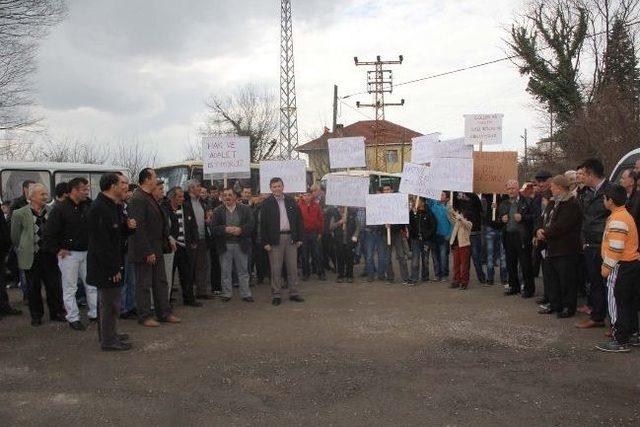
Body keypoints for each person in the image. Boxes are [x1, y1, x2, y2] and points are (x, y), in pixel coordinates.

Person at [128, 168, 180, 327]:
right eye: (155, 177)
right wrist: (147, 251)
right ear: (147, 179)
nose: (157, 179)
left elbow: (159, 222)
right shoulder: (138, 198)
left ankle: (164, 312)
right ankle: (144, 316)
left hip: (157, 247)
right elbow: (139, 228)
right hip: (145, 250)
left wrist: (167, 239)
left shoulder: (149, 197)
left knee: (160, 281)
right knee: (144, 284)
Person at [43, 177, 96, 331]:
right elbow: (48, 233)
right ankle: (73, 317)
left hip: (87, 252)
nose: (87, 192)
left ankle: (95, 313)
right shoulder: (60, 209)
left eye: (87, 189)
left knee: (91, 284)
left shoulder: (88, 205)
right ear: (73, 190)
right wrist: (58, 249)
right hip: (69, 255)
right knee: (70, 287)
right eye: (84, 189)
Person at [87, 173, 132, 351]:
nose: (124, 187)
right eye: (121, 184)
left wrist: (128, 228)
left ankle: (109, 333)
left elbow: (117, 236)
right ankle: (108, 340)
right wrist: (114, 269)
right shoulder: (99, 208)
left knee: (110, 302)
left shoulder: (112, 206)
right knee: (109, 304)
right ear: (112, 186)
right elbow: (101, 244)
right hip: (105, 266)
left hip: (112, 262)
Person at [595, 184, 640, 352]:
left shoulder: (618, 219)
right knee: (628, 302)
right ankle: (632, 333)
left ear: (610, 201)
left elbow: (616, 248)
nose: (603, 201)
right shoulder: (624, 215)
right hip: (630, 264)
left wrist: (606, 267)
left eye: (604, 198)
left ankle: (620, 339)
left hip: (620, 266)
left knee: (616, 302)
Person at [11, 184, 62, 325]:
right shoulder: (19, 213)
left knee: (54, 286)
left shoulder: (51, 211)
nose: (46, 197)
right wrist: (22, 248)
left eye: (46, 194)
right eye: (42, 194)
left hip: (50, 255)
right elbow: (15, 236)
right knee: (33, 287)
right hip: (31, 255)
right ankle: (36, 315)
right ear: (32, 197)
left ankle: (56, 312)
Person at [536, 175, 583, 318]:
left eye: (553, 186)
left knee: (566, 279)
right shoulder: (553, 202)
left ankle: (568, 307)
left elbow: (563, 225)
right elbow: (544, 218)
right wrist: (539, 229)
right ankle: (555, 304)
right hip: (551, 247)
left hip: (566, 248)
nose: (551, 188)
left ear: (560, 187)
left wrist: (545, 232)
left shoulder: (571, 204)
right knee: (552, 278)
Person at [576, 158, 611, 329]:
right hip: (590, 245)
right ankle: (597, 317)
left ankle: (614, 323)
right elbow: (586, 219)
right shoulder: (588, 193)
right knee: (595, 282)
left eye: (583, 174)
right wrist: (584, 240)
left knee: (609, 285)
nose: (581, 177)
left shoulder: (610, 191)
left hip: (605, 246)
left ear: (591, 174)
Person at [260, 177, 304, 306]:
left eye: (279, 186)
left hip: (291, 238)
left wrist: (299, 238)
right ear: (270, 188)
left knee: (292, 268)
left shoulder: (291, 201)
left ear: (283, 187)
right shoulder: (267, 203)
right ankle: (276, 294)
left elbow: (299, 220)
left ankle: (294, 292)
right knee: (276, 268)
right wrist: (265, 242)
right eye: (274, 187)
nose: (277, 189)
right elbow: (262, 225)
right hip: (274, 240)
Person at [212, 188, 255, 302]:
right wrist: (225, 229)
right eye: (225, 195)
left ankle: (246, 293)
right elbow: (213, 228)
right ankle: (226, 293)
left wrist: (241, 230)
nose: (227, 197)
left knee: (243, 271)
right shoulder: (217, 211)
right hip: (225, 245)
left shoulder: (245, 209)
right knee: (225, 271)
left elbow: (251, 225)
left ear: (235, 197)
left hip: (241, 244)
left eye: (230, 195)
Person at [163, 186, 200, 307]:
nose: (182, 199)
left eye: (182, 196)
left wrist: (194, 240)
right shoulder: (165, 209)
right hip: (172, 247)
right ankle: (166, 301)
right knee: (169, 275)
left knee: (187, 274)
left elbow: (194, 225)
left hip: (185, 246)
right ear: (172, 198)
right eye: (179, 196)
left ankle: (189, 298)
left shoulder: (187, 207)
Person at [498, 179, 535, 298]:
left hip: (522, 236)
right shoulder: (504, 203)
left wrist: (523, 217)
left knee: (525, 264)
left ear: (518, 188)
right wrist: (501, 219)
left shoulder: (527, 201)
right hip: (508, 235)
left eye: (513, 188)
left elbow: (534, 217)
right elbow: (498, 219)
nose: (510, 191)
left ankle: (529, 289)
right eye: (508, 189)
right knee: (510, 263)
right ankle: (514, 287)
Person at [184, 179, 212, 299]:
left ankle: (202, 291)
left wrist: (207, 221)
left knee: (202, 265)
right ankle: (188, 293)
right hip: (190, 239)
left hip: (202, 238)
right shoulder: (185, 202)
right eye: (198, 186)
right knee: (190, 267)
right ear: (191, 188)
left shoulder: (201, 201)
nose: (200, 188)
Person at [382, 184, 410, 284]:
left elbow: (402, 219)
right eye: (384, 190)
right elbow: (376, 219)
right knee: (387, 256)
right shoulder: (379, 203)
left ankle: (405, 278)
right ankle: (390, 278)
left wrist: (395, 225)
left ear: (392, 190)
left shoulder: (398, 202)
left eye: (388, 189)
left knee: (401, 256)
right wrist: (383, 225)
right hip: (385, 234)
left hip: (397, 233)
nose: (386, 191)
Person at [298, 189, 325, 281]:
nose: (307, 197)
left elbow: (321, 219)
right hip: (303, 234)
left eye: (308, 195)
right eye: (305, 195)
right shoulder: (299, 206)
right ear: (302, 196)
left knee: (318, 254)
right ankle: (306, 273)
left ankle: (321, 273)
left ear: (311, 196)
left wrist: (320, 232)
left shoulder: (317, 206)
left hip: (314, 233)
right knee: (304, 255)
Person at [408, 197, 437, 283]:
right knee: (415, 259)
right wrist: (413, 233)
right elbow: (409, 224)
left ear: (423, 202)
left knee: (425, 259)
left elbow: (433, 226)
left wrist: (426, 235)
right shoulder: (413, 213)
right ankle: (414, 277)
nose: (415, 202)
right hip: (415, 239)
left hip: (426, 240)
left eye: (418, 200)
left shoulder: (429, 213)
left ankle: (425, 277)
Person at [120, 183, 138, 319]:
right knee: (124, 280)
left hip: (131, 247)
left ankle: (131, 305)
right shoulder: (117, 209)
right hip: (122, 249)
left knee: (131, 279)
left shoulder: (129, 208)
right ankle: (123, 308)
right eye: (126, 192)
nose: (128, 194)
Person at [329, 206, 361, 283]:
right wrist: (340, 222)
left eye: (343, 207)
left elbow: (358, 226)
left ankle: (349, 275)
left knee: (349, 259)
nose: (341, 209)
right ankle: (340, 275)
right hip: (339, 241)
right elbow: (331, 227)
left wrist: (355, 235)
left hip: (349, 241)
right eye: (340, 207)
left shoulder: (352, 214)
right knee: (340, 259)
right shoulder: (335, 215)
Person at [482, 193, 508, 286]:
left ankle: (504, 278)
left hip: (503, 228)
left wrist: (499, 207)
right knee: (490, 255)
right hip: (491, 227)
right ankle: (490, 278)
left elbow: (509, 209)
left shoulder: (507, 196)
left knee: (503, 256)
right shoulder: (490, 194)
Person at [428, 192, 452, 281]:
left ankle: (444, 274)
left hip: (444, 235)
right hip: (434, 235)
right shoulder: (433, 206)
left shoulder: (449, 208)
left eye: (442, 195)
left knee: (443, 256)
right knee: (435, 256)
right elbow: (429, 199)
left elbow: (452, 223)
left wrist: (449, 234)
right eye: (439, 194)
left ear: (447, 198)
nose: (440, 196)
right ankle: (437, 274)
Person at [449, 204, 473, 290]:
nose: (460, 214)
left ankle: (464, 282)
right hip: (456, 245)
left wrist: (461, 218)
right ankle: (456, 280)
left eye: (462, 213)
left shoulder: (469, 223)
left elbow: (467, 224)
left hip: (464, 246)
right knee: (456, 265)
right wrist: (451, 211)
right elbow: (451, 218)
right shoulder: (457, 222)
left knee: (464, 265)